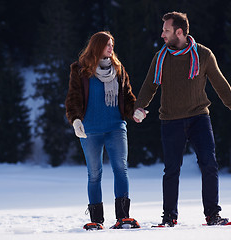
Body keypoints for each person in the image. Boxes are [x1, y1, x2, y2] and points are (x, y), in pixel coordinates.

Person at [133, 12, 231, 227]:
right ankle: (169, 217)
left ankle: (213, 215)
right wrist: (140, 107)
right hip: (170, 120)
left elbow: (220, 84)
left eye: (166, 30)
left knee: (209, 164)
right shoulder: (160, 58)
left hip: (199, 118)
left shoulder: (203, 55)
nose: (162, 34)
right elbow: (149, 86)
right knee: (171, 170)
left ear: (179, 32)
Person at [65, 31, 140, 230]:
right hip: (90, 130)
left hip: (116, 127)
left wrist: (135, 112)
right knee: (94, 173)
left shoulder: (118, 69)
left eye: (112, 45)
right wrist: (75, 121)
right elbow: (73, 99)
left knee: (121, 169)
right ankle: (96, 220)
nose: (111, 48)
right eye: (108, 45)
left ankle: (123, 217)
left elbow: (128, 97)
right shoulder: (80, 70)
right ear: (97, 46)